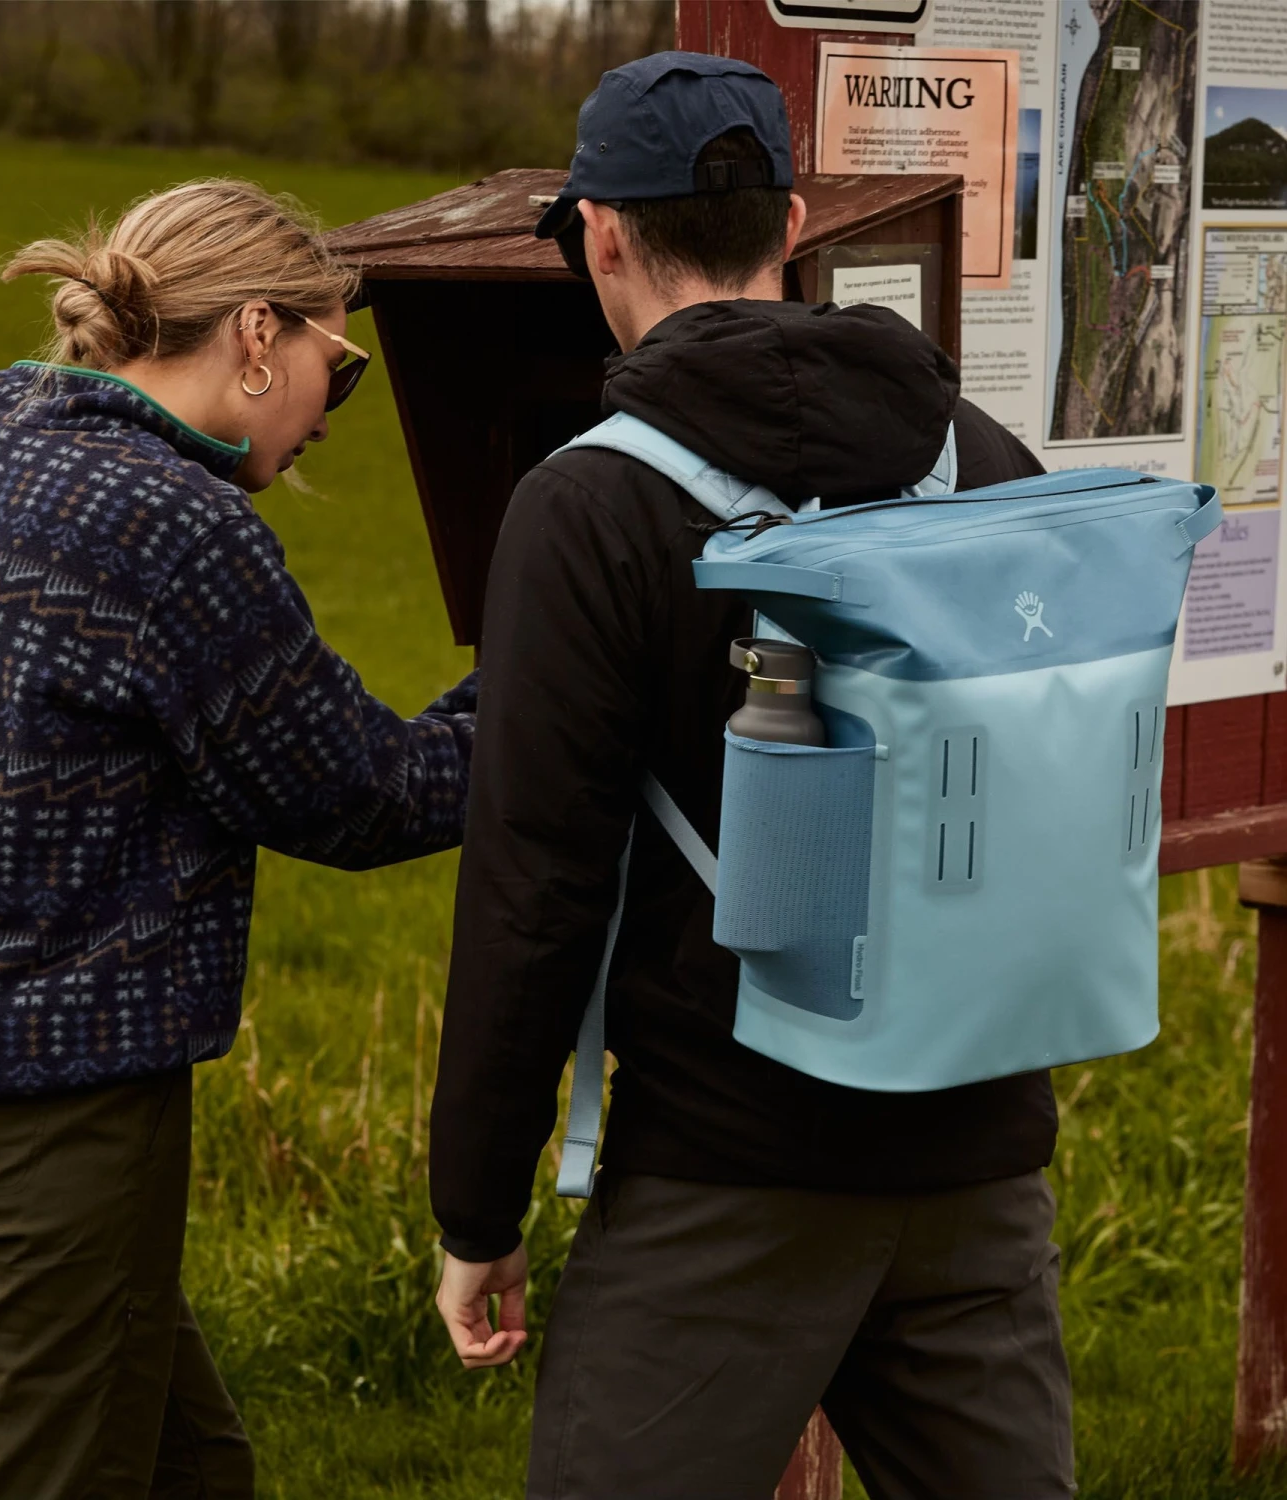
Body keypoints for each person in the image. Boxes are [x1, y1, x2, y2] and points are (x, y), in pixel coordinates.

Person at [429, 52, 1074, 1500]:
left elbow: (534, 888)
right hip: (976, 1153)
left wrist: (477, 1206)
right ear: (790, 222)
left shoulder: (587, 504)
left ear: (598, 231)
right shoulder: (986, 461)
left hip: (726, 1165)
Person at [0, 178, 476, 1499]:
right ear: (255, 335)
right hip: (60, 1115)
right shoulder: (175, 522)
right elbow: (364, 797)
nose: (325, 417)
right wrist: (547, 677)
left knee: (192, 1466)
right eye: (332, 369)